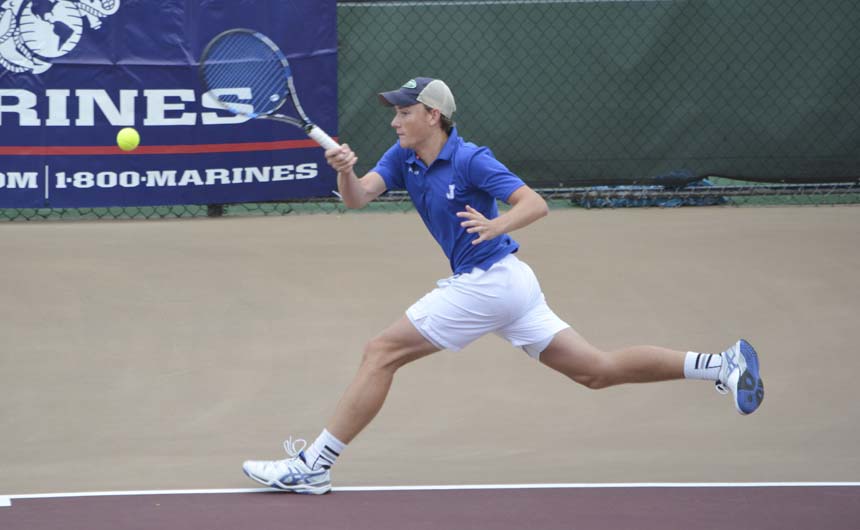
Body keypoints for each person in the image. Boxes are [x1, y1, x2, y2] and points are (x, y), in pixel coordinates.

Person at [241, 77, 765, 495]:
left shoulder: (471, 158)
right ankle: (721, 364)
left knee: (381, 352)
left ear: (433, 116)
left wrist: (497, 225)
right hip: (510, 286)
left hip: (489, 282)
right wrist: (343, 171)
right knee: (596, 371)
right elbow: (358, 198)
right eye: (394, 112)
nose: (395, 120)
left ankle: (314, 465)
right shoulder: (402, 157)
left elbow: (534, 203)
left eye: (404, 111)